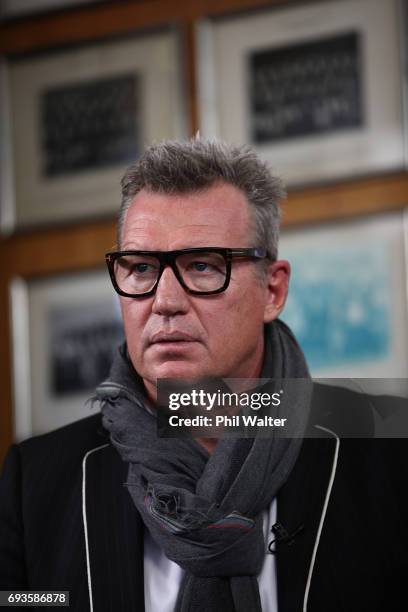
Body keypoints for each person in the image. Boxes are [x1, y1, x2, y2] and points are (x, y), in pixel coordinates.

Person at [0, 138, 407, 612]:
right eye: (140, 268)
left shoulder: (389, 452)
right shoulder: (36, 482)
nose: (165, 301)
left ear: (272, 290)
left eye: (202, 265)